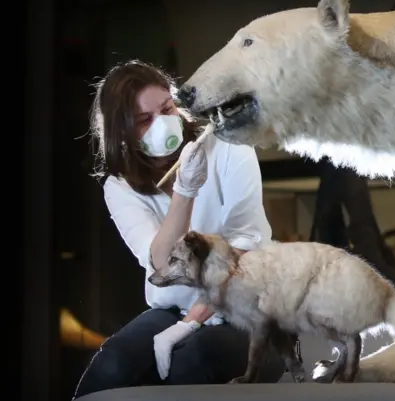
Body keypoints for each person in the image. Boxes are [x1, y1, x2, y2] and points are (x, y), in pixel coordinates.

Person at [73, 59, 285, 399]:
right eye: (144, 120)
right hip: (172, 308)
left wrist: (190, 324)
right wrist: (184, 193)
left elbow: (243, 250)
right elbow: (160, 262)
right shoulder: (120, 185)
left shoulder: (227, 147)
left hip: (245, 308)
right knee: (112, 365)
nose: (163, 124)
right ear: (121, 131)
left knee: (191, 362)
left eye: (167, 108)